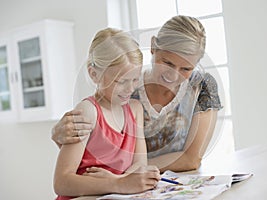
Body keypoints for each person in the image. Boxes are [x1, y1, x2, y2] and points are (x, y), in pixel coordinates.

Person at [52, 15, 222, 173]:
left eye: (186, 68)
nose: (173, 75)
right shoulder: (127, 87)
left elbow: (191, 160)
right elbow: (97, 142)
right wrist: (58, 134)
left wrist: (127, 173)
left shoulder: (201, 87)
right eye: (167, 63)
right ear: (153, 47)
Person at [53, 28, 160, 200]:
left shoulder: (135, 109)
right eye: (122, 81)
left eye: (135, 79)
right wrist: (118, 184)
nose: (130, 88)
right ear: (94, 74)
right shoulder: (88, 112)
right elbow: (61, 182)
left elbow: (139, 165)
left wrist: (119, 180)